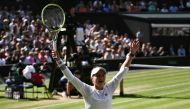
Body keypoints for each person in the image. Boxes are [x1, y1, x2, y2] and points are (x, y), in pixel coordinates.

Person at [52, 39, 140, 109]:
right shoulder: (86, 89)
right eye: (97, 75)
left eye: (102, 75)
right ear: (92, 79)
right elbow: (70, 77)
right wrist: (59, 60)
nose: (101, 77)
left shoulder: (110, 87)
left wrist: (131, 54)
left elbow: (123, 70)